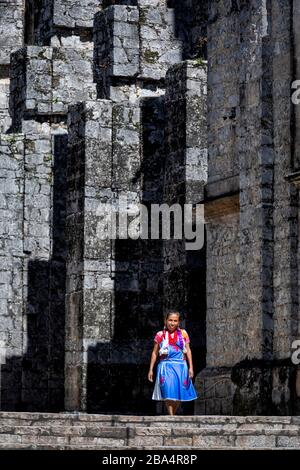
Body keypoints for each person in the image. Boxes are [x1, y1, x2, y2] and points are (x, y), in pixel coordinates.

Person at [148, 311, 198, 415]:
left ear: (178, 322)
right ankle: (171, 416)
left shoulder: (183, 334)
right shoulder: (160, 335)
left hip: (181, 365)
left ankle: (173, 415)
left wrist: (191, 367)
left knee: (180, 391)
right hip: (166, 365)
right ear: (165, 321)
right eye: (170, 320)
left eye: (175, 321)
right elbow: (154, 352)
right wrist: (151, 369)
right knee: (168, 389)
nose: (172, 323)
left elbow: (188, 351)